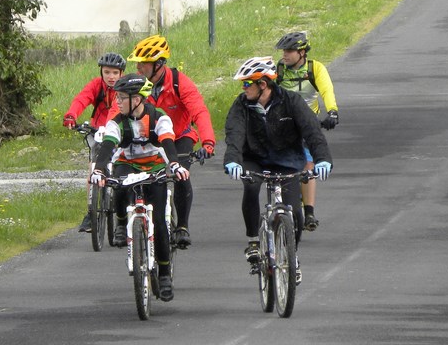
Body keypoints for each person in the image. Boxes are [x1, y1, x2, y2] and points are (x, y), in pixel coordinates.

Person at [223, 56, 333, 285]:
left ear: (263, 84)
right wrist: (232, 160)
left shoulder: (291, 101)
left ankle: (292, 258)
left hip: (287, 160)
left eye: (246, 84)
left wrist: (323, 160)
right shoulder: (241, 104)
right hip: (255, 158)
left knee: (295, 213)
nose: (243, 89)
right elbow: (234, 134)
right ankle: (254, 241)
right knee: (251, 187)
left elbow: (312, 132)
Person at [91, 73, 189, 302]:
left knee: (160, 225)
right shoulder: (117, 121)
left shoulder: (158, 117)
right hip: (128, 163)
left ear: (137, 99)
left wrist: (174, 164)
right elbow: (107, 146)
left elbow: (167, 142)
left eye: (122, 97)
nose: (117, 101)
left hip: (155, 166)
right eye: (117, 97)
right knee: (119, 184)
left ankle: (164, 275)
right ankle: (122, 223)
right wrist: (99, 169)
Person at [126, 34, 215, 249]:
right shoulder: (137, 85)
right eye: (137, 64)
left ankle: (182, 226)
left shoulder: (179, 82)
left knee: (181, 176)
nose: (138, 69)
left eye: (143, 65)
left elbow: (199, 111)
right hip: (151, 139)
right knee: (141, 179)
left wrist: (208, 142)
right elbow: (117, 108)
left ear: (159, 64)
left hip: (180, 137)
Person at [275, 31, 339, 232]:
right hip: (283, 123)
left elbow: (326, 90)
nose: (285, 54)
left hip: (307, 123)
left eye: (290, 51)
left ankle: (309, 212)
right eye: (284, 51)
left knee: (308, 164)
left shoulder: (315, 69)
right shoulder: (279, 70)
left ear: (302, 52)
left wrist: (332, 112)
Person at [63, 52, 126, 232]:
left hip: (119, 131)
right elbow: (82, 99)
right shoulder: (96, 85)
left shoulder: (125, 87)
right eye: (107, 72)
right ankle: (91, 213)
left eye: (115, 73)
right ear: (101, 72)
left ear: (121, 73)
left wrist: (111, 128)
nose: (111, 77)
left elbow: (116, 109)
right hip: (98, 131)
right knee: (92, 168)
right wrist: (71, 115)